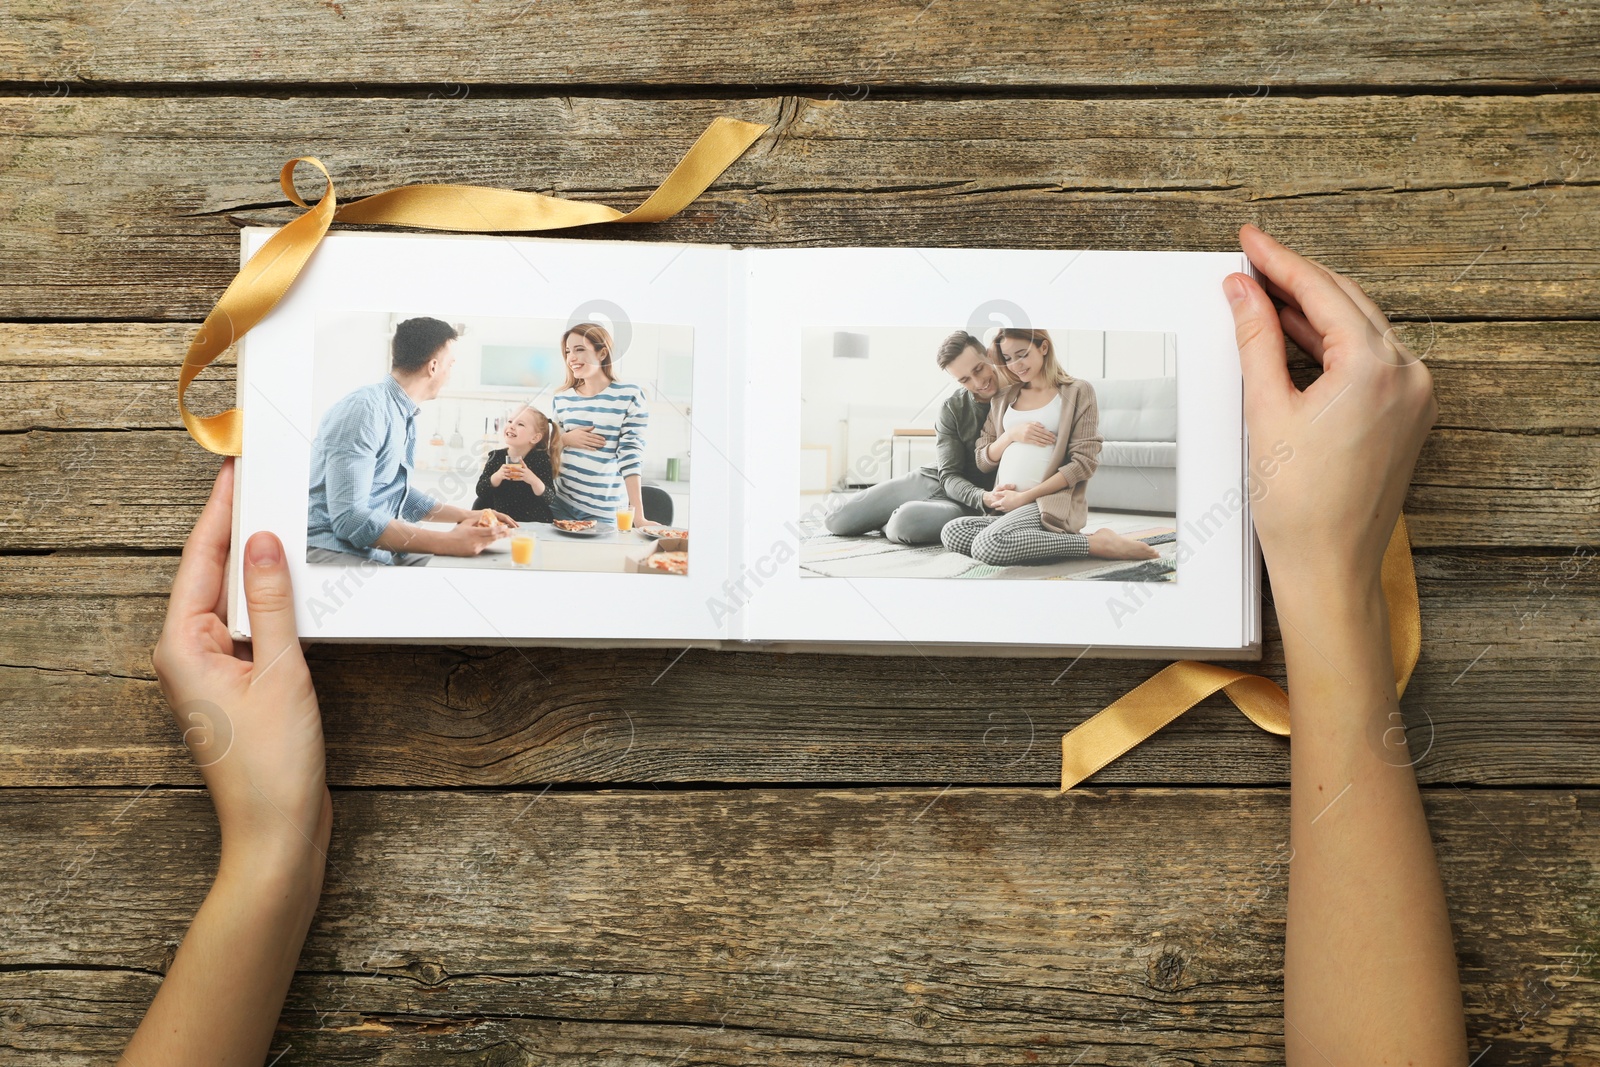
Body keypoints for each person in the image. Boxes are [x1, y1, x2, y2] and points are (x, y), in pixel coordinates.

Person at [129, 225, 1465, 1065]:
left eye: (1013, 351)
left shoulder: (1075, 397)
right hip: (980, 493)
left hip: (1037, 514)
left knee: (987, 538)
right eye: (992, 357)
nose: (1000, 364)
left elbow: (1038, 471)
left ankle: (1128, 550)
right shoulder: (982, 404)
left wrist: (269, 857)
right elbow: (963, 458)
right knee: (885, 509)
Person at [938, 328, 1160, 567]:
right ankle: (1052, 540)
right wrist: (1011, 435)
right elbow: (982, 460)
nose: (1016, 365)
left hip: (1045, 503)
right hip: (1006, 506)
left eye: (1022, 354)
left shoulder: (1077, 391)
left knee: (988, 546)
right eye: (1009, 358)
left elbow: (1083, 464)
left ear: (1043, 348)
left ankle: (1096, 544)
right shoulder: (1002, 398)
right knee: (952, 531)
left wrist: (1024, 498)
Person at [305, 316, 515, 566]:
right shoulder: (364, 410)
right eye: (451, 365)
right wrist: (448, 542)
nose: (449, 374)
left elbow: (397, 492)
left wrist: (467, 515)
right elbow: (349, 519)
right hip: (336, 550)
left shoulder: (402, 413)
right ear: (434, 367)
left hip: (377, 549)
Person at [823, 330, 1018, 544]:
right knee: (836, 520)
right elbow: (949, 475)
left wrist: (984, 498)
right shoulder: (952, 407)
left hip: (969, 504)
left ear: (989, 355)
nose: (978, 382)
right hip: (933, 479)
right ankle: (892, 515)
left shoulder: (1023, 396)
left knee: (903, 524)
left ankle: (892, 518)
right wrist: (983, 496)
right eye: (964, 379)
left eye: (979, 369)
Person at [548, 322, 657, 529]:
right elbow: (547, 447)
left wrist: (638, 516)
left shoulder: (630, 395)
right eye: (568, 351)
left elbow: (631, 454)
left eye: (580, 349)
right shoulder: (561, 398)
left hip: (605, 511)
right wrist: (565, 439)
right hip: (560, 503)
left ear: (602, 353)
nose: (571, 358)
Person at [472, 403, 562, 524]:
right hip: (502, 523)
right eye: (510, 421)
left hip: (534, 524)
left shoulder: (540, 460)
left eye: (520, 424)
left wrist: (532, 480)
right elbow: (481, 491)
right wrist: (497, 476)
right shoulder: (495, 457)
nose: (512, 426)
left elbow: (550, 498)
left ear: (535, 438)